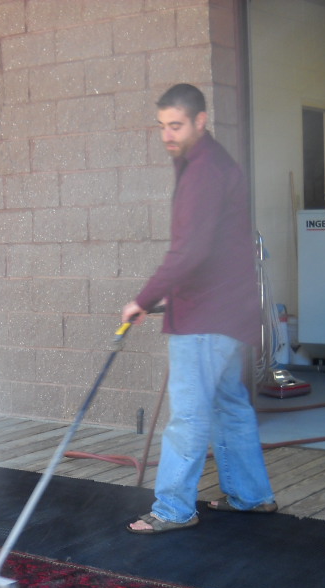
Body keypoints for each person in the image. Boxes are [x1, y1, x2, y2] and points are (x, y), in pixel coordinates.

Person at [122, 83, 276, 534]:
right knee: (229, 403)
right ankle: (251, 496)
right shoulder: (208, 164)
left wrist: (143, 299)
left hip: (207, 316)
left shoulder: (204, 171)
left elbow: (189, 250)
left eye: (176, 125)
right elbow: (206, 249)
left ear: (200, 121)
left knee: (189, 414)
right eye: (162, 126)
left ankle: (173, 509)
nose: (167, 135)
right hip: (224, 310)